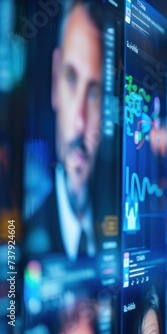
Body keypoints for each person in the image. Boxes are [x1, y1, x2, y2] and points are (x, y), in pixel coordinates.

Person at [26, 0, 103, 261]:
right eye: (71, 78)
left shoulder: (116, 230)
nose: (80, 122)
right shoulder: (25, 235)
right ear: (55, 80)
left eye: (95, 92)